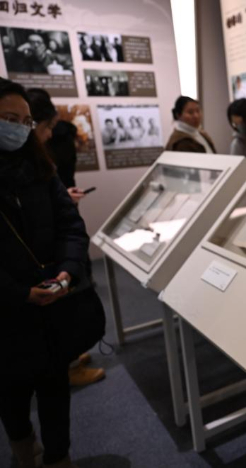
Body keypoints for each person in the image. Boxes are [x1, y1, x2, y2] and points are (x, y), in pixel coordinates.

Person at [0, 78, 89, 468]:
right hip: (6, 313)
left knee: (55, 388)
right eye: (9, 119)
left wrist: (67, 272)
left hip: (51, 303)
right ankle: (24, 452)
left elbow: (70, 226)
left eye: (25, 121)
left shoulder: (41, 168)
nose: (20, 129)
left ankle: (58, 457)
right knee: (11, 392)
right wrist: (19, 293)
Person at [27, 88, 106, 388]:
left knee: (71, 303)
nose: (49, 134)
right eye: (46, 127)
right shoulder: (28, 161)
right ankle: (67, 365)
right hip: (44, 256)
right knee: (60, 312)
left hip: (58, 250)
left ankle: (70, 357)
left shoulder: (38, 159)